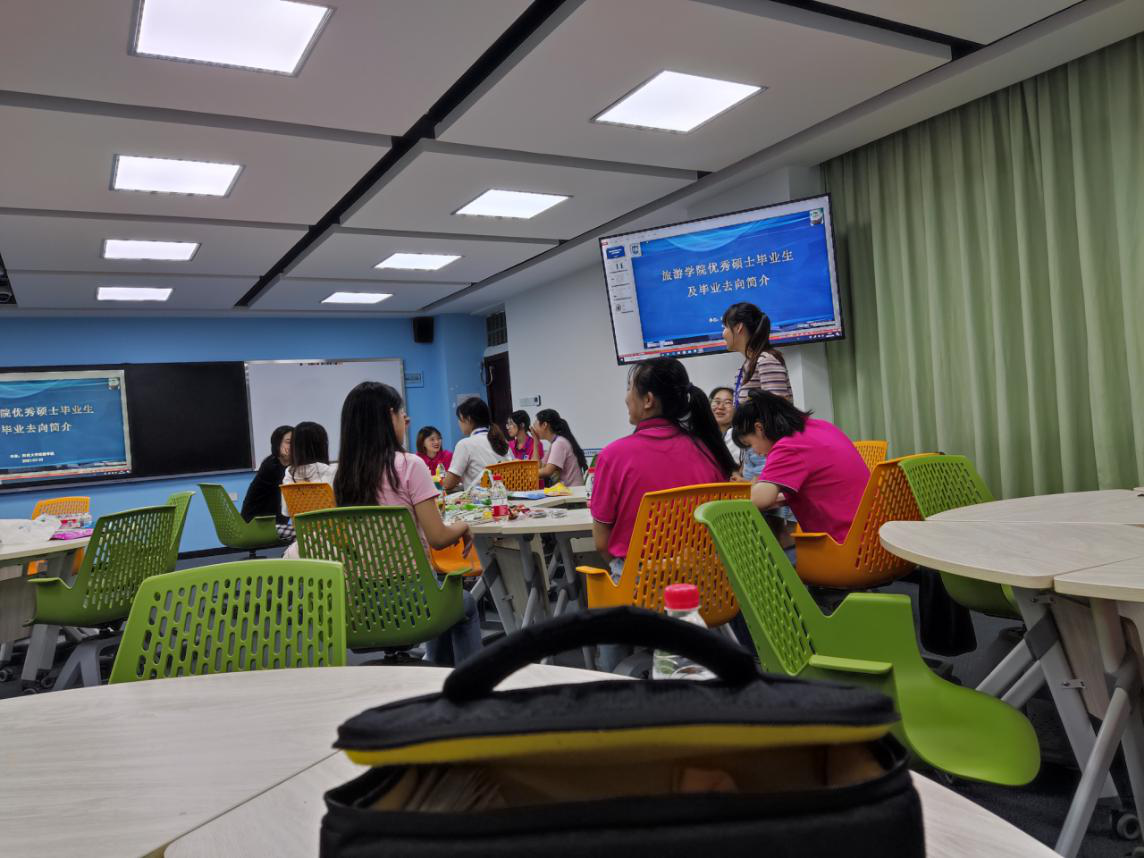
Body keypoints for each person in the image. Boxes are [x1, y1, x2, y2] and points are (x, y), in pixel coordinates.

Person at [334, 382, 481, 666]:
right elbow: (438, 537)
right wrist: (463, 526)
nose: (407, 419)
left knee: (439, 594)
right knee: (464, 603)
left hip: (359, 604)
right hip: (412, 598)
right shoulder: (410, 465)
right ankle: (471, 686)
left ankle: (435, 673)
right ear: (389, 416)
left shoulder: (342, 476)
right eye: (402, 413)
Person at [590, 357, 737, 578]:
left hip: (642, 587)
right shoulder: (710, 451)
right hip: (706, 583)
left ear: (648, 400)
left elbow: (602, 543)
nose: (626, 398)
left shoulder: (613, 456)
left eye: (629, 388)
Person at [732, 390, 868, 547]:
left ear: (759, 428)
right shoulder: (822, 427)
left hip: (844, 545)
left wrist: (724, 501)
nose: (755, 452)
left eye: (750, 444)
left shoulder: (789, 446)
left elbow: (760, 499)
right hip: (872, 537)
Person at [722, 302, 792, 406]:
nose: (723, 333)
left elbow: (777, 410)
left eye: (725, 327)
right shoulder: (744, 368)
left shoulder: (766, 361)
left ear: (738, 327)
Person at [441, 397, 513, 492]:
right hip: (504, 496)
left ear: (468, 419)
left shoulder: (464, 444)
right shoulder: (502, 440)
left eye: (460, 419)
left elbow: (448, 484)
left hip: (481, 499)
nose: (459, 423)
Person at [280, 421, 337, 517]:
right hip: (334, 526)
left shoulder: (289, 475)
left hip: (302, 527)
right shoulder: (334, 471)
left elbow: (286, 512)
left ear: (294, 447)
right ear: (322, 446)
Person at [241, 425, 292, 525]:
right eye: (288, 442)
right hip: (257, 524)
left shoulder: (280, 464)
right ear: (277, 444)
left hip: (268, 522)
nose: (293, 445)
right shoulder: (271, 466)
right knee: (301, 532)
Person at [531, 408, 587, 487]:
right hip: (568, 490)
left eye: (535, 425)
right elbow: (538, 467)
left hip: (573, 491)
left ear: (544, 425)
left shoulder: (559, 443)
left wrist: (527, 474)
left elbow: (547, 471)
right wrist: (535, 443)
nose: (533, 430)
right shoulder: (555, 443)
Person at [709, 386, 741, 470]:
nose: (720, 407)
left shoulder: (741, 437)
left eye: (728, 403)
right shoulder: (699, 433)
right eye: (717, 401)